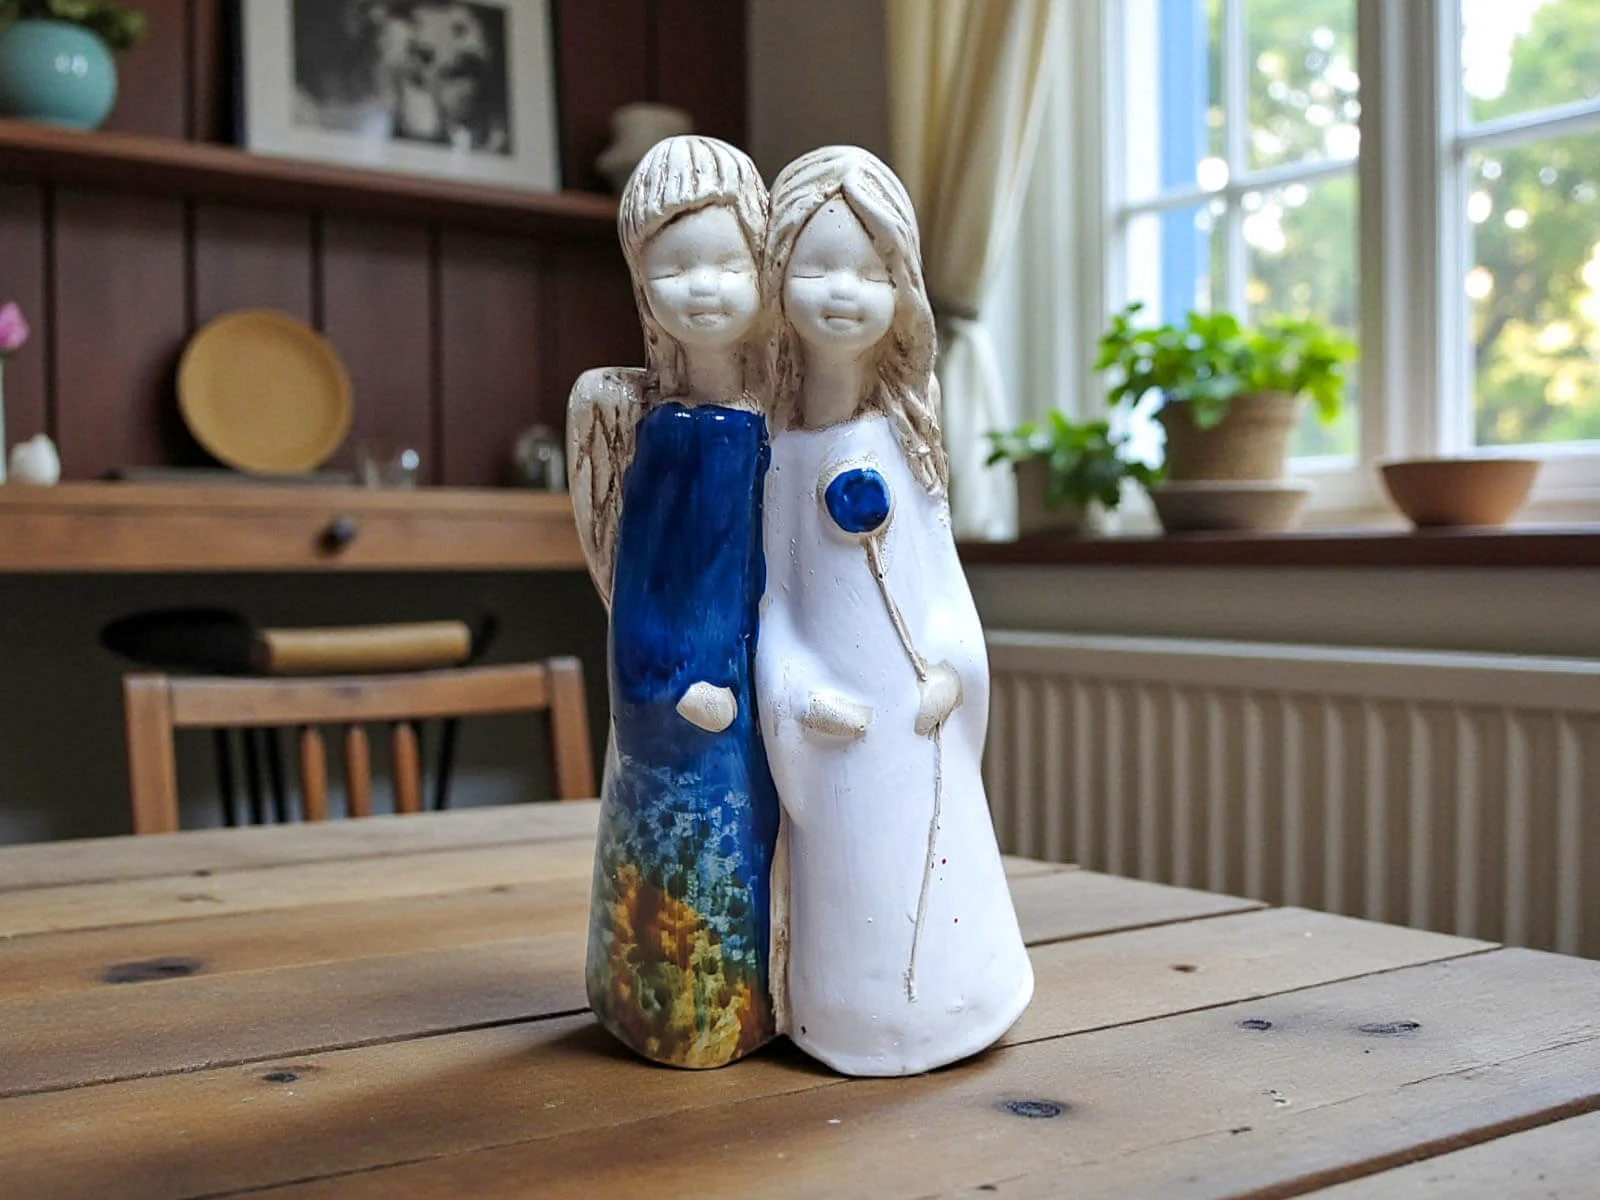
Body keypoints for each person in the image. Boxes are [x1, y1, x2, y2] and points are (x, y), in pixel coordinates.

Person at [756, 146, 1033, 1077]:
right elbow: (776, 599)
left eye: (871, 272)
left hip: (917, 711)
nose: (844, 293)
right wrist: (796, 693)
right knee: (854, 871)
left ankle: (970, 994)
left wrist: (953, 667)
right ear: (777, 277)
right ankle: (852, 1016)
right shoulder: (777, 453)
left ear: (902, 289)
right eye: (818, 267)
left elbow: (941, 577)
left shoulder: (908, 437)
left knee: (938, 853)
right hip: (840, 722)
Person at [567, 135, 779, 1069]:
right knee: (678, 850)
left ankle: (765, 1002)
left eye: (729, 264)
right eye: (673, 266)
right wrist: (667, 684)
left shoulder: (786, 418)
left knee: (759, 848)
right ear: (639, 278)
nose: (703, 288)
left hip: (769, 683)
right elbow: (622, 573)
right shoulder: (627, 413)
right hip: (676, 699)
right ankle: (669, 1010)